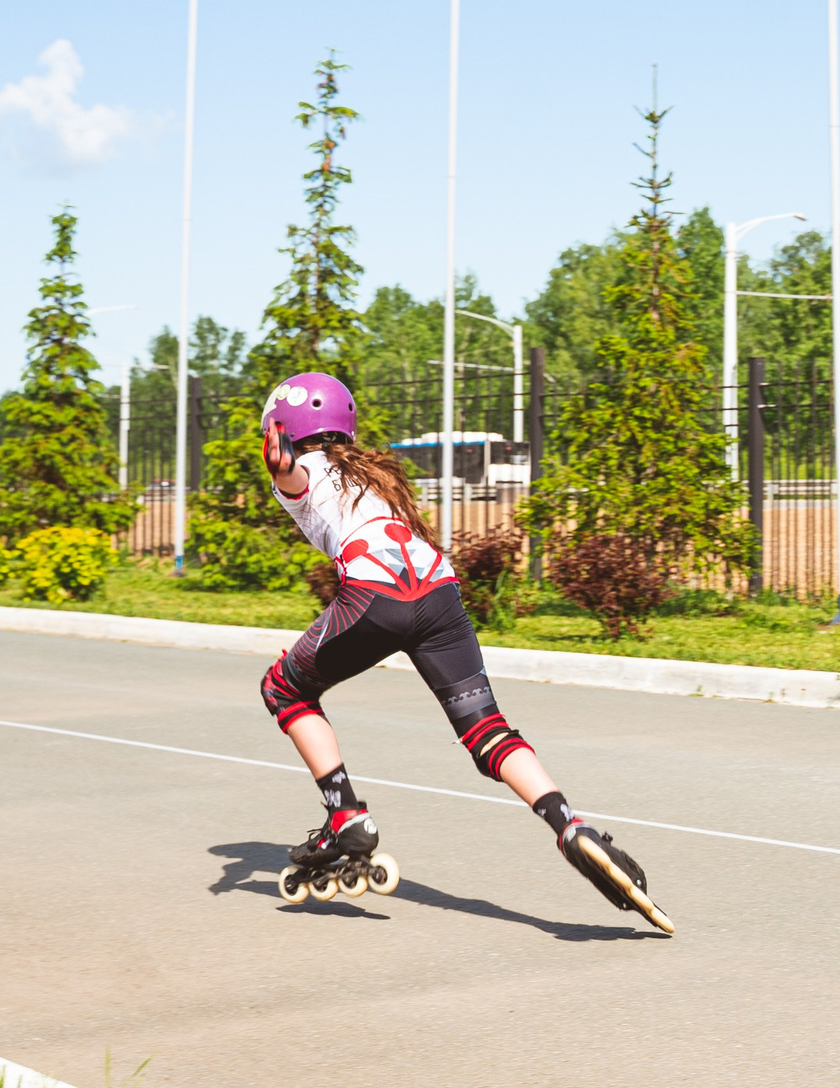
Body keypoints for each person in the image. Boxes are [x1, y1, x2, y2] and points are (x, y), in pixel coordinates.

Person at [251, 371, 671, 931]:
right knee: (487, 730)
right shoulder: (375, 474)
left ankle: (346, 816)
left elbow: (297, 476)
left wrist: (279, 465)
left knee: (284, 687)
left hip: (376, 596)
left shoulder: (299, 473)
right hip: (440, 594)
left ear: (284, 430)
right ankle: (571, 826)